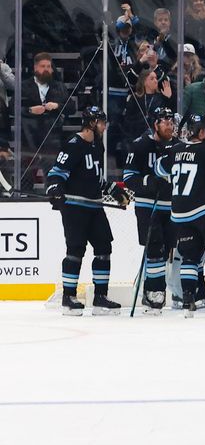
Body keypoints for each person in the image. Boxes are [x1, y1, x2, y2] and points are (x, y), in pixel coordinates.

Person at [46, 107, 129, 316]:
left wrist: (113, 190)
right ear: (92, 123)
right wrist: (55, 189)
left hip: (95, 205)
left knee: (104, 248)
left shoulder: (97, 145)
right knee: (75, 250)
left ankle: (100, 297)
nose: (104, 126)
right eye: (101, 122)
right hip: (75, 207)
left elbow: (97, 178)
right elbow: (56, 173)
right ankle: (68, 297)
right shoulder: (73, 145)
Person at [155, 114, 205, 317]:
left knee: (190, 257)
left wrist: (168, 154)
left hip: (180, 214)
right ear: (201, 132)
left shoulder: (175, 149)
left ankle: (188, 300)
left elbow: (158, 168)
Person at [123, 107, 176, 315]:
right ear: (155, 124)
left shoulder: (177, 148)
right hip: (147, 205)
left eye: (171, 122)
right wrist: (150, 182)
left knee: (165, 251)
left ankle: (149, 289)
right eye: (165, 122)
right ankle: (155, 292)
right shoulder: (140, 146)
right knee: (154, 249)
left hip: (171, 207)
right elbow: (129, 178)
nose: (170, 126)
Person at [20, 52, 75, 186]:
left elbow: (71, 108)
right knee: (25, 168)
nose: (46, 69)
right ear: (35, 68)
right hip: (29, 134)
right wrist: (30, 110)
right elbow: (13, 108)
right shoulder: (24, 86)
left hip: (52, 136)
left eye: (48, 66)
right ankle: (25, 193)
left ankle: (51, 192)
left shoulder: (59, 86)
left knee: (51, 169)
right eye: (42, 66)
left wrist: (57, 106)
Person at [121, 68, 174, 149]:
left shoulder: (161, 97)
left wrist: (169, 98)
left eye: (156, 78)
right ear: (144, 81)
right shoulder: (135, 98)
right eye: (152, 78)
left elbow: (169, 117)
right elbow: (128, 120)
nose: (156, 81)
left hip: (156, 137)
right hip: (136, 134)